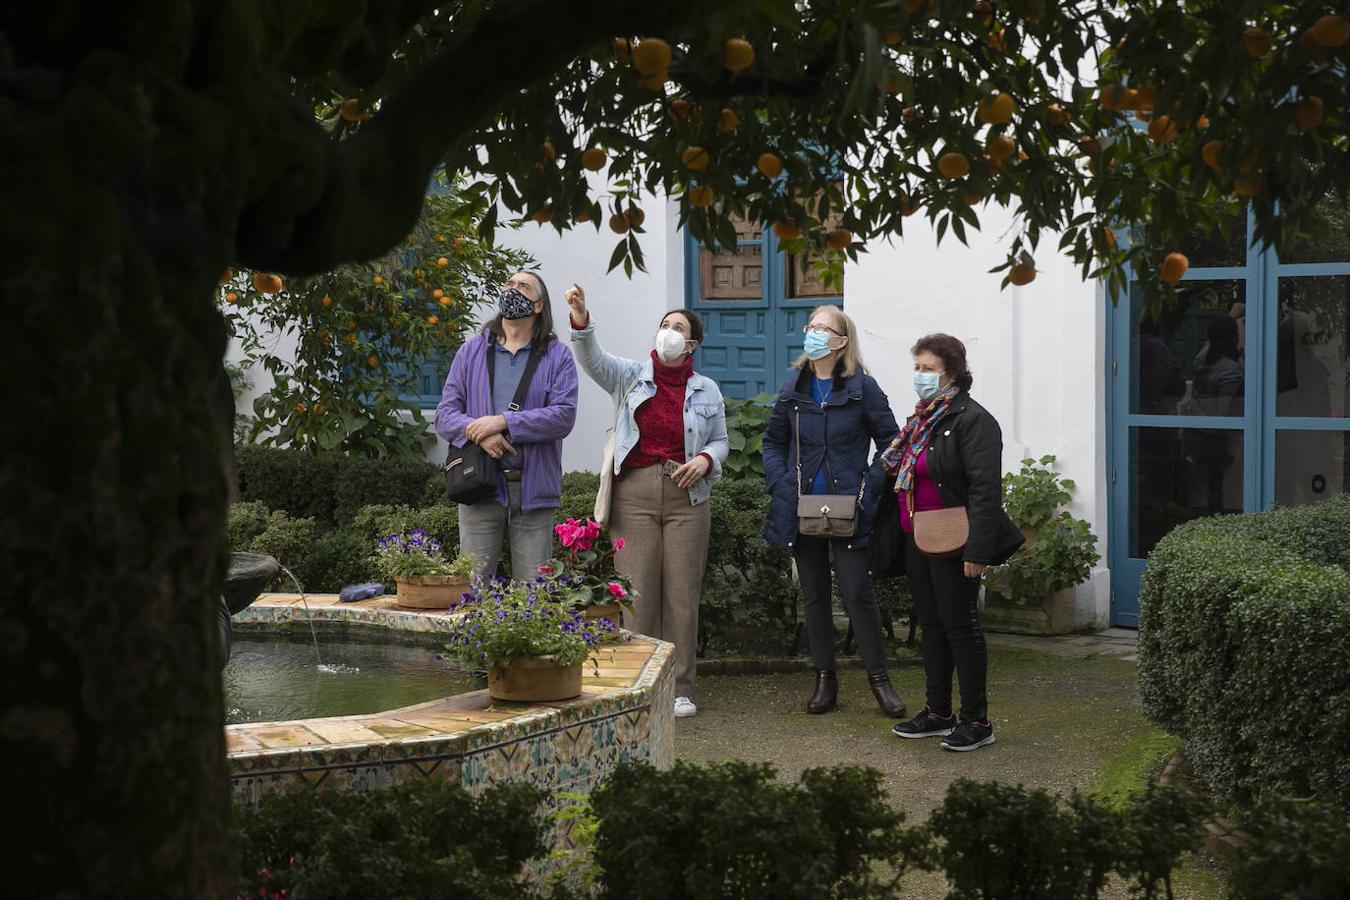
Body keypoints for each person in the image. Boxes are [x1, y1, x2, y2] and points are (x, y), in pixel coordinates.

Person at [566, 284, 727, 719]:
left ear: (692, 343)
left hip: (686, 496)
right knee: (636, 594)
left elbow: (720, 440)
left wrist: (707, 459)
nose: (668, 332)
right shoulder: (630, 375)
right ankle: (641, 683)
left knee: (681, 594)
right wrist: (582, 318)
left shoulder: (707, 389)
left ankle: (679, 688)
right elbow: (592, 360)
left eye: (678, 328)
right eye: (664, 326)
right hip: (633, 494)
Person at [762, 305, 907, 718]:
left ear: (841, 341)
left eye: (822, 327)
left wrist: (869, 488)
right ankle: (825, 679)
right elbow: (772, 443)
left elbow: (892, 445)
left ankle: (880, 681)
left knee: (858, 594)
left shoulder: (864, 387)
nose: (812, 332)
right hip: (801, 509)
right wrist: (782, 484)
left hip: (851, 510)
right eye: (811, 326)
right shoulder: (794, 387)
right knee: (814, 596)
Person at [883, 334, 1023, 751]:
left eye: (928, 369)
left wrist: (977, 552)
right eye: (917, 369)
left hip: (955, 540)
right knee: (932, 626)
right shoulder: (922, 419)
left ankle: (977, 720)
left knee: (960, 627)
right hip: (917, 535)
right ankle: (938, 713)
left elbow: (985, 491)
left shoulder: (973, 420)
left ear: (952, 373)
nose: (920, 377)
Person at [435, 271, 578, 580]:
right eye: (509, 284)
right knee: (472, 594)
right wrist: (480, 434)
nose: (513, 290)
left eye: (523, 286)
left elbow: (563, 416)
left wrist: (503, 422)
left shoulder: (558, 356)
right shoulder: (471, 351)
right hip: (478, 485)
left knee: (534, 597)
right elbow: (445, 414)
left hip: (533, 490)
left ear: (538, 306)